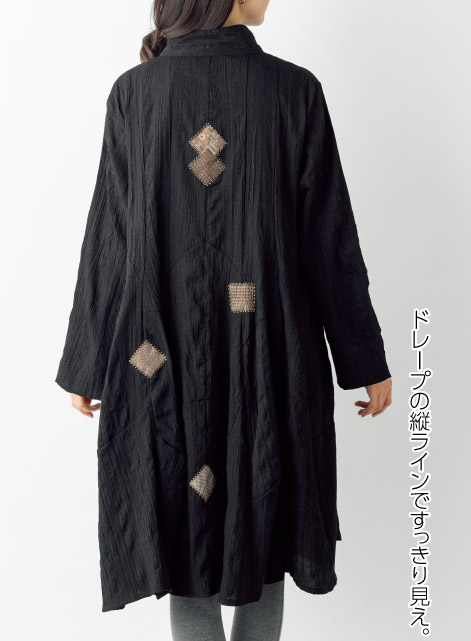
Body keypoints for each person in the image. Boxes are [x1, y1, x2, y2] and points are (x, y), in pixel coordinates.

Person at [55, 0, 392, 639]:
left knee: (190, 543)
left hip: (160, 360)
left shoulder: (135, 93)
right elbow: (329, 244)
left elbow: (109, 238)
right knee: (265, 521)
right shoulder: (293, 91)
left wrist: (87, 362)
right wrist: (364, 360)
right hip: (270, 355)